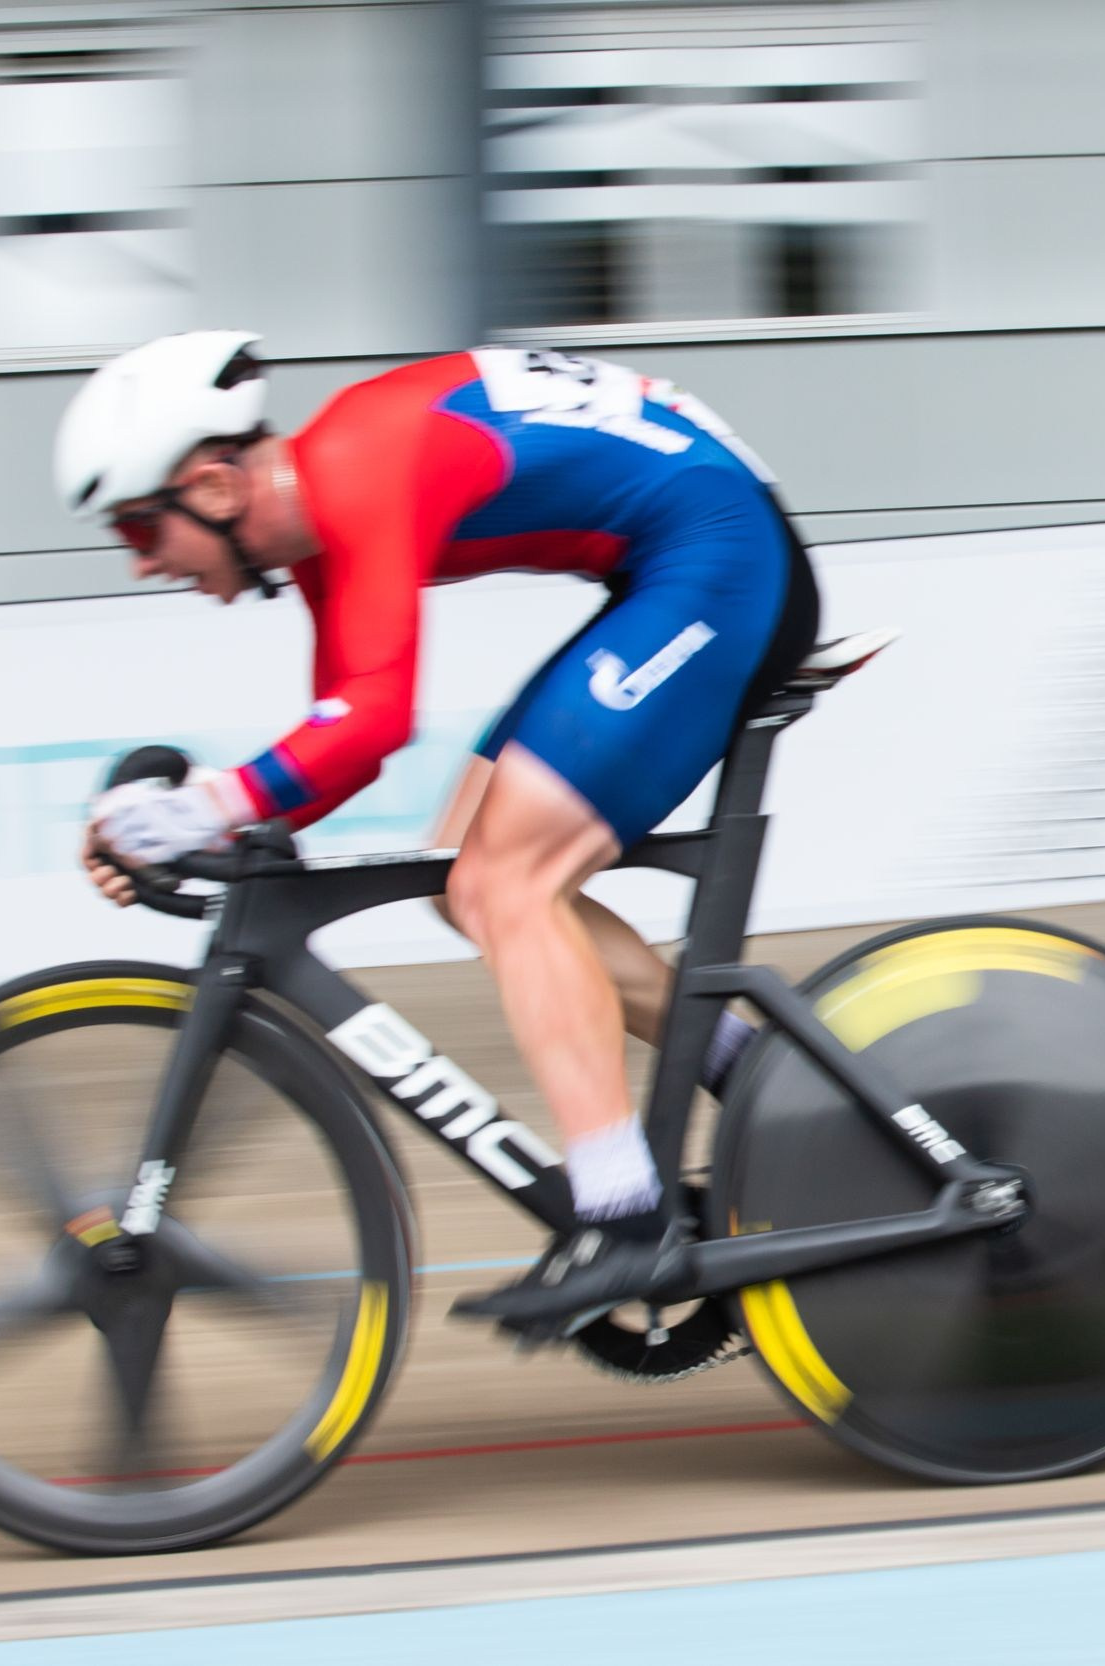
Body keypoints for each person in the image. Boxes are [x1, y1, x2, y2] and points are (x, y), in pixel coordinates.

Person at [56, 332, 820, 1332]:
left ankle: (626, 1217)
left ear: (212, 486)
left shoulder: (354, 470)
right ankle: (760, 1076)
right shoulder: (321, 514)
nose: (140, 561)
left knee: (508, 883)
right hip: (682, 556)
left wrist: (201, 810)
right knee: (467, 879)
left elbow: (375, 718)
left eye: (139, 527)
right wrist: (201, 826)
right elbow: (345, 742)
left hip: (722, 557)